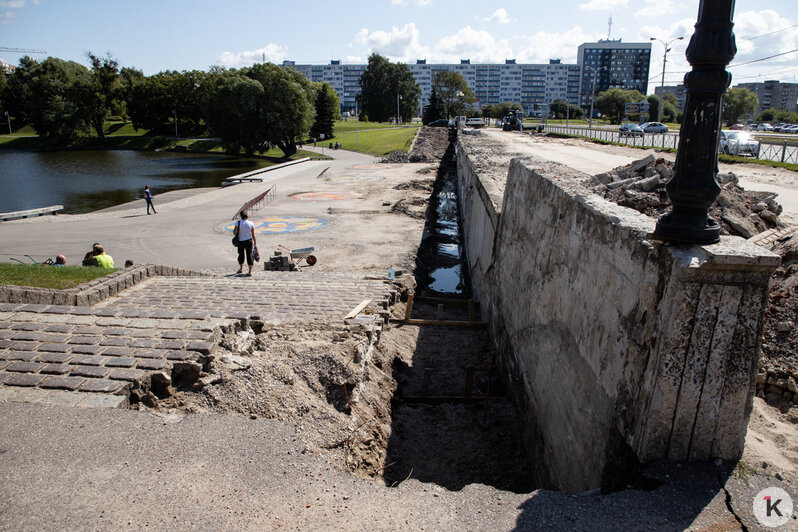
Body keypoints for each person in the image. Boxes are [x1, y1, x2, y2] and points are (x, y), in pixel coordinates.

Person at [234, 211, 256, 276]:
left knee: (241, 255)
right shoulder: (251, 223)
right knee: (249, 255)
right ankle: (250, 271)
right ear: (247, 216)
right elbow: (253, 234)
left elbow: (234, 232)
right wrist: (255, 242)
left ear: (241, 216)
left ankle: (241, 269)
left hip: (241, 241)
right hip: (249, 241)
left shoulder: (238, 223)